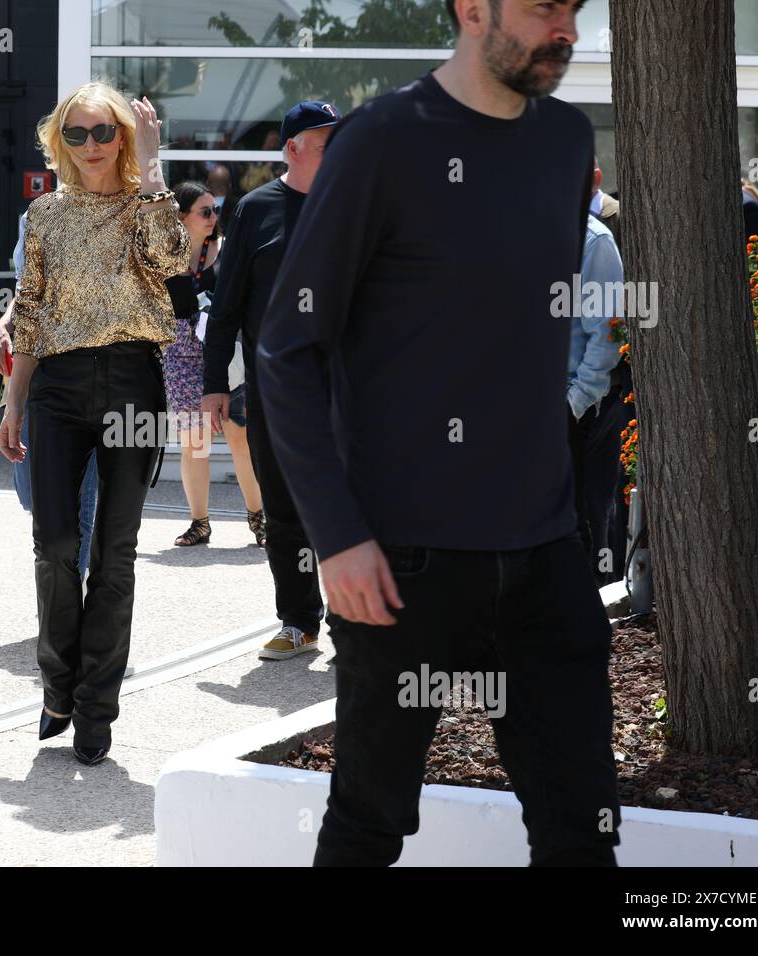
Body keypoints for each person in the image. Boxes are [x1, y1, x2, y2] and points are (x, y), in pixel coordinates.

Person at [257, 0, 620, 866]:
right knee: (369, 824)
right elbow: (286, 350)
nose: (564, 28)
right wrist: (337, 538)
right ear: (471, 10)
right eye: (542, 8)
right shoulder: (383, 141)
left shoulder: (567, 142)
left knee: (583, 824)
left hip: (545, 551)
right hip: (401, 560)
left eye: (573, 8)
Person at [0, 82, 187, 766]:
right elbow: (32, 307)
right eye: (75, 135)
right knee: (53, 544)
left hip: (133, 382)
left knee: (115, 553)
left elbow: (172, 261)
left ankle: (96, 708)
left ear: (125, 138)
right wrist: (15, 398)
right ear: (60, 142)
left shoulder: (146, 202)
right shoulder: (44, 213)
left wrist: (156, 164)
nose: (90, 147)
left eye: (103, 133)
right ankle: (58, 684)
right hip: (59, 389)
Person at [201, 100, 339, 661]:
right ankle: (300, 622)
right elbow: (227, 306)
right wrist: (214, 383)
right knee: (284, 515)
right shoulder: (256, 211)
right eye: (328, 143)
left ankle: (362, 625)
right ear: (293, 149)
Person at [0, 209, 99, 581]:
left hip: (93, 370)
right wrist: (5, 322)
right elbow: (27, 290)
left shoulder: (122, 208)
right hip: (35, 366)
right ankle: (63, 591)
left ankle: (68, 595)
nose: (86, 149)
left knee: (78, 496)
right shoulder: (36, 215)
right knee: (34, 495)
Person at [161, 180, 264, 547]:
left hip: (224, 352)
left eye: (215, 209)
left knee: (241, 439)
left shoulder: (226, 250)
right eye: (205, 211)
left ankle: (258, 520)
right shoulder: (167, 254)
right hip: (182, 356)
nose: (213, 217)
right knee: (195, 443)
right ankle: (199, 523)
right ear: (182, 216)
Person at [568, 213, 625, 565]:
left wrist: (571, 406)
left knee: (571, 525)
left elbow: (606, 334)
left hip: (569, 409)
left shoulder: (593, 241)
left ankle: (578, 612)